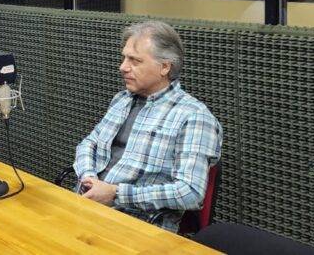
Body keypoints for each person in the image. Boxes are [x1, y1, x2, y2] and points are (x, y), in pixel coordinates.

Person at [74, 20, 221, 232]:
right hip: (87, 207)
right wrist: (88, 176)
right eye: (124, 58)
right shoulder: (122, 100)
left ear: (164, 67)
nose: (123, 67)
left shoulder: (194, 117)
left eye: (135, 60)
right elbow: (89, 144)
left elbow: (190, 192)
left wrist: (115, 194)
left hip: (136, 227)